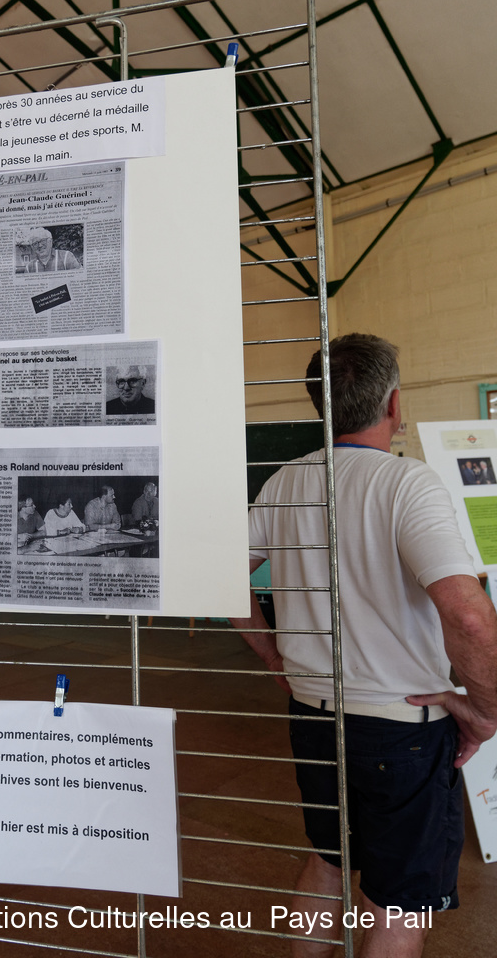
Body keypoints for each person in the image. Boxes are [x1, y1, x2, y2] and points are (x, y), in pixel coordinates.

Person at [239, 333, 497, 958]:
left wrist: (275, 656)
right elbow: (469, 616)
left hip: (312, 716)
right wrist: (487, 710)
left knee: (329, 861)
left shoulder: (283, 483)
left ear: (320, 404)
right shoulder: (408, 483)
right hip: (400, 727)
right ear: (394, 404)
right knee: (401, 900)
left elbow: (220, 583)